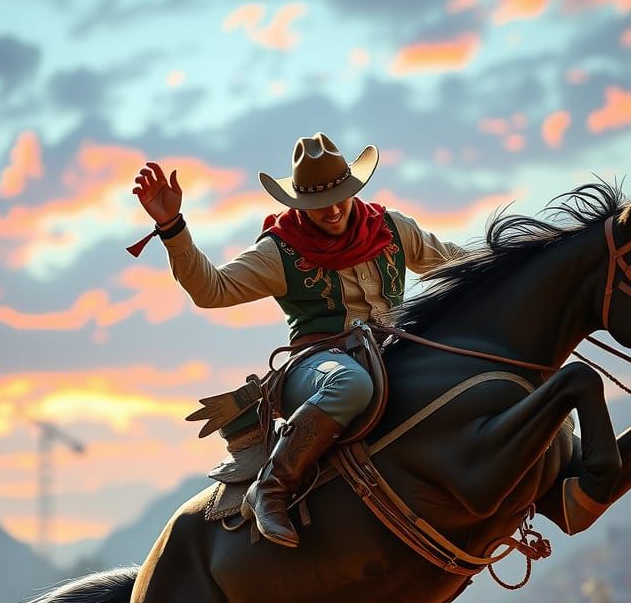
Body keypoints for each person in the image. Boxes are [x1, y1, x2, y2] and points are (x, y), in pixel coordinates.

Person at [132, 132, 466, 547]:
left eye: (340, 196)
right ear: (297, 203)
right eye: (317, 203)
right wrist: (172, 227)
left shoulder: (394, 228)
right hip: (319, 365)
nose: (332, 210)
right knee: (351, 384)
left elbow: (460, 264)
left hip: (393, 356)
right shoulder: (281, 250)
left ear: (353, 188)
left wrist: (525, 255)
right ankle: (270, 490)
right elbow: (212, 290)